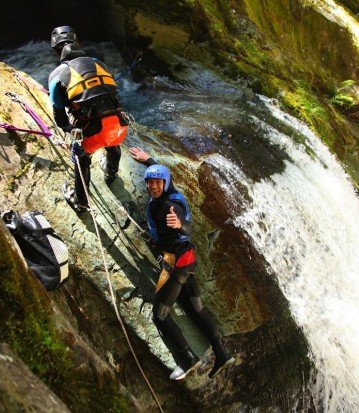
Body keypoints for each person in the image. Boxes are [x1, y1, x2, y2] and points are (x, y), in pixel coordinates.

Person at [130, 146, 235, 380]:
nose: (152, 186)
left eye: (157, 183)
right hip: (187, 260)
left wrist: (179, 225)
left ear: (165, 184)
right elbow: (161, 174)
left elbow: (187, 226)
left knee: (160, 315)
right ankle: (222, 353)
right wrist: (148, 160)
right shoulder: (169, 190)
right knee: (197, 309)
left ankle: (187, 359)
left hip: (178, 264)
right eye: (150, 182)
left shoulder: (171, 207)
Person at [47, 26, 128, 213]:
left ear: (55, 52)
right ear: (78, 44)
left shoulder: (56, 76)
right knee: (112, 142)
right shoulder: (99, 63)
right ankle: (110, 174)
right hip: (119, 128)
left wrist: (71, 129)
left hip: (92, 136)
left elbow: (60, 120)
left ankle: (81, 202)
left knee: (80, 156)